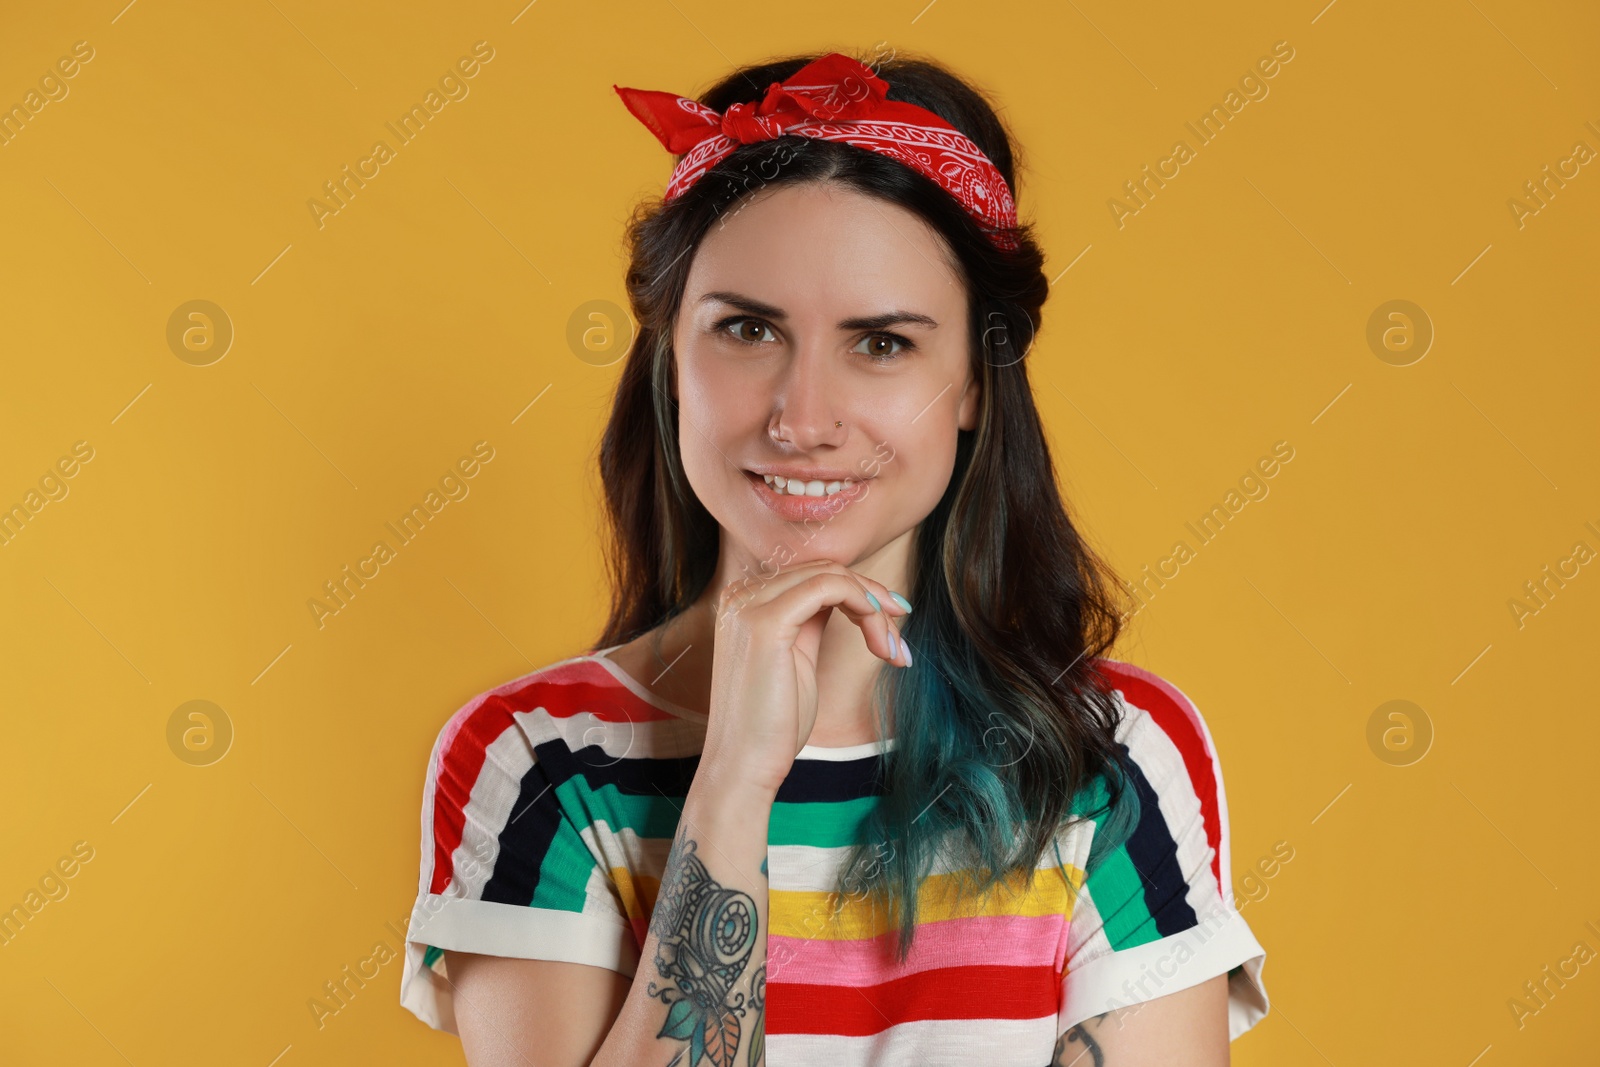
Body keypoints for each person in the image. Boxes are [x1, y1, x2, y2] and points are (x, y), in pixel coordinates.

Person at [399, 49, 1269, 1066]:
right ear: (670, 359)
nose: (802, 419)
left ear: (976, 383)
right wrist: (731, 779)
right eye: (748, 329)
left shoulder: (1105, 756)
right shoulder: (541, 762)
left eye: (882, 343)